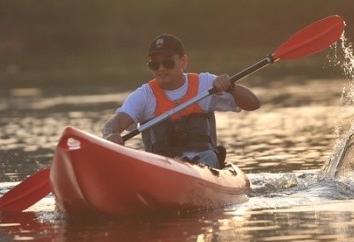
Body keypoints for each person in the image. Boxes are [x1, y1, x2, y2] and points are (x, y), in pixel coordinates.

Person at [101, 34, 261, 168]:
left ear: (183, 62)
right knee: (167, 163)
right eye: (154, 64)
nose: (161, 68)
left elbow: (253, 104)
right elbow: (116, 122)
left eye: (168, 62)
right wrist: (110, 135)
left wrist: (231, 87)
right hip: (162, 166)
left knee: (207, 159)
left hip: (204, 162)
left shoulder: (205, 84)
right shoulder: (144, 95)